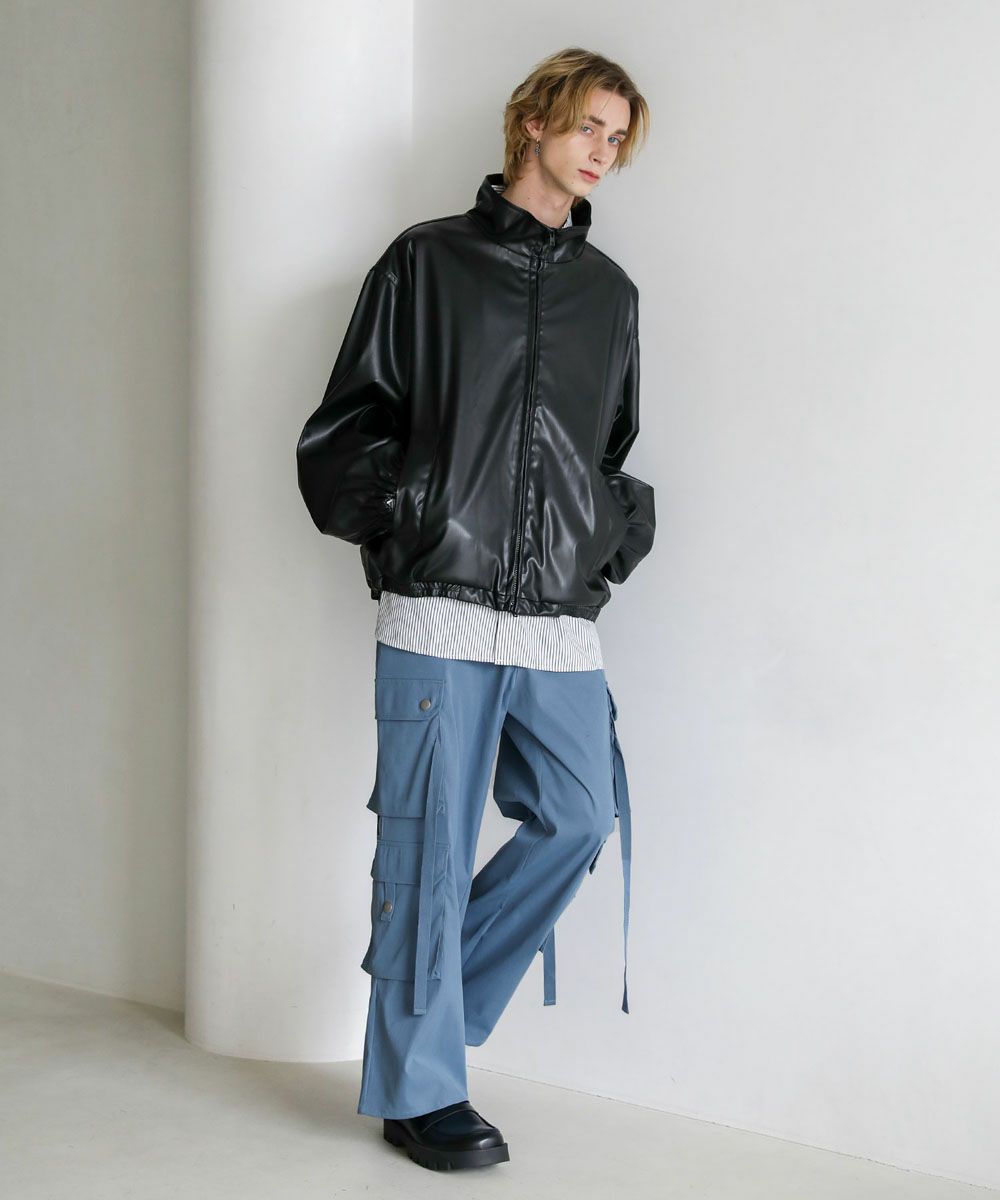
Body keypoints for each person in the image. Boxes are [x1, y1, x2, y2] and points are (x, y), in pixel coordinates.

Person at [295, 46, 655, 1172]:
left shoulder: (610, 296)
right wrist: (411, 517)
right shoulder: (427, 261)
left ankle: (429, 1027)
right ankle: (422, 1089)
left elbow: (608, 452)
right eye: (590, 125)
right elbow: (345, 432)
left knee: (579, 818)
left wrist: (600, 541)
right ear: (533, 121)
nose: (602, 151)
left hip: (556, 620)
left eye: (618, 138)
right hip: (437, 609)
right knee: (430, 854)